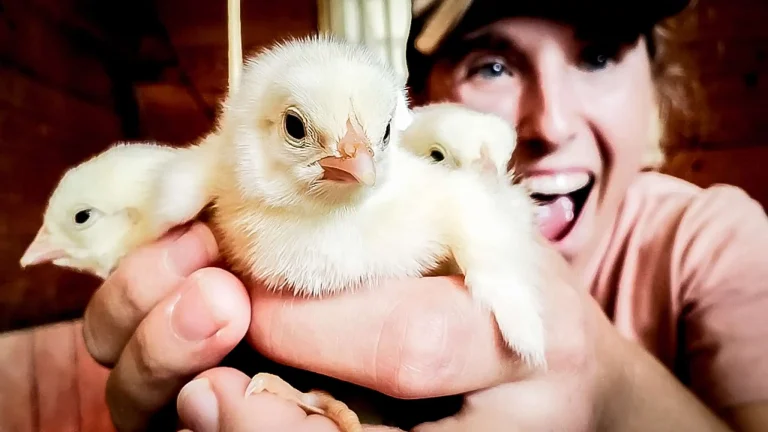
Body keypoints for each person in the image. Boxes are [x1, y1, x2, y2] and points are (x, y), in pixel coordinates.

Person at [5, 0, 767, 430]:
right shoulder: (223, 204)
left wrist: (608, 393)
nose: (553, 122)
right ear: (423, 88)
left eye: (597, 54)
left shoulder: (714, 244)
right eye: (492, 64)